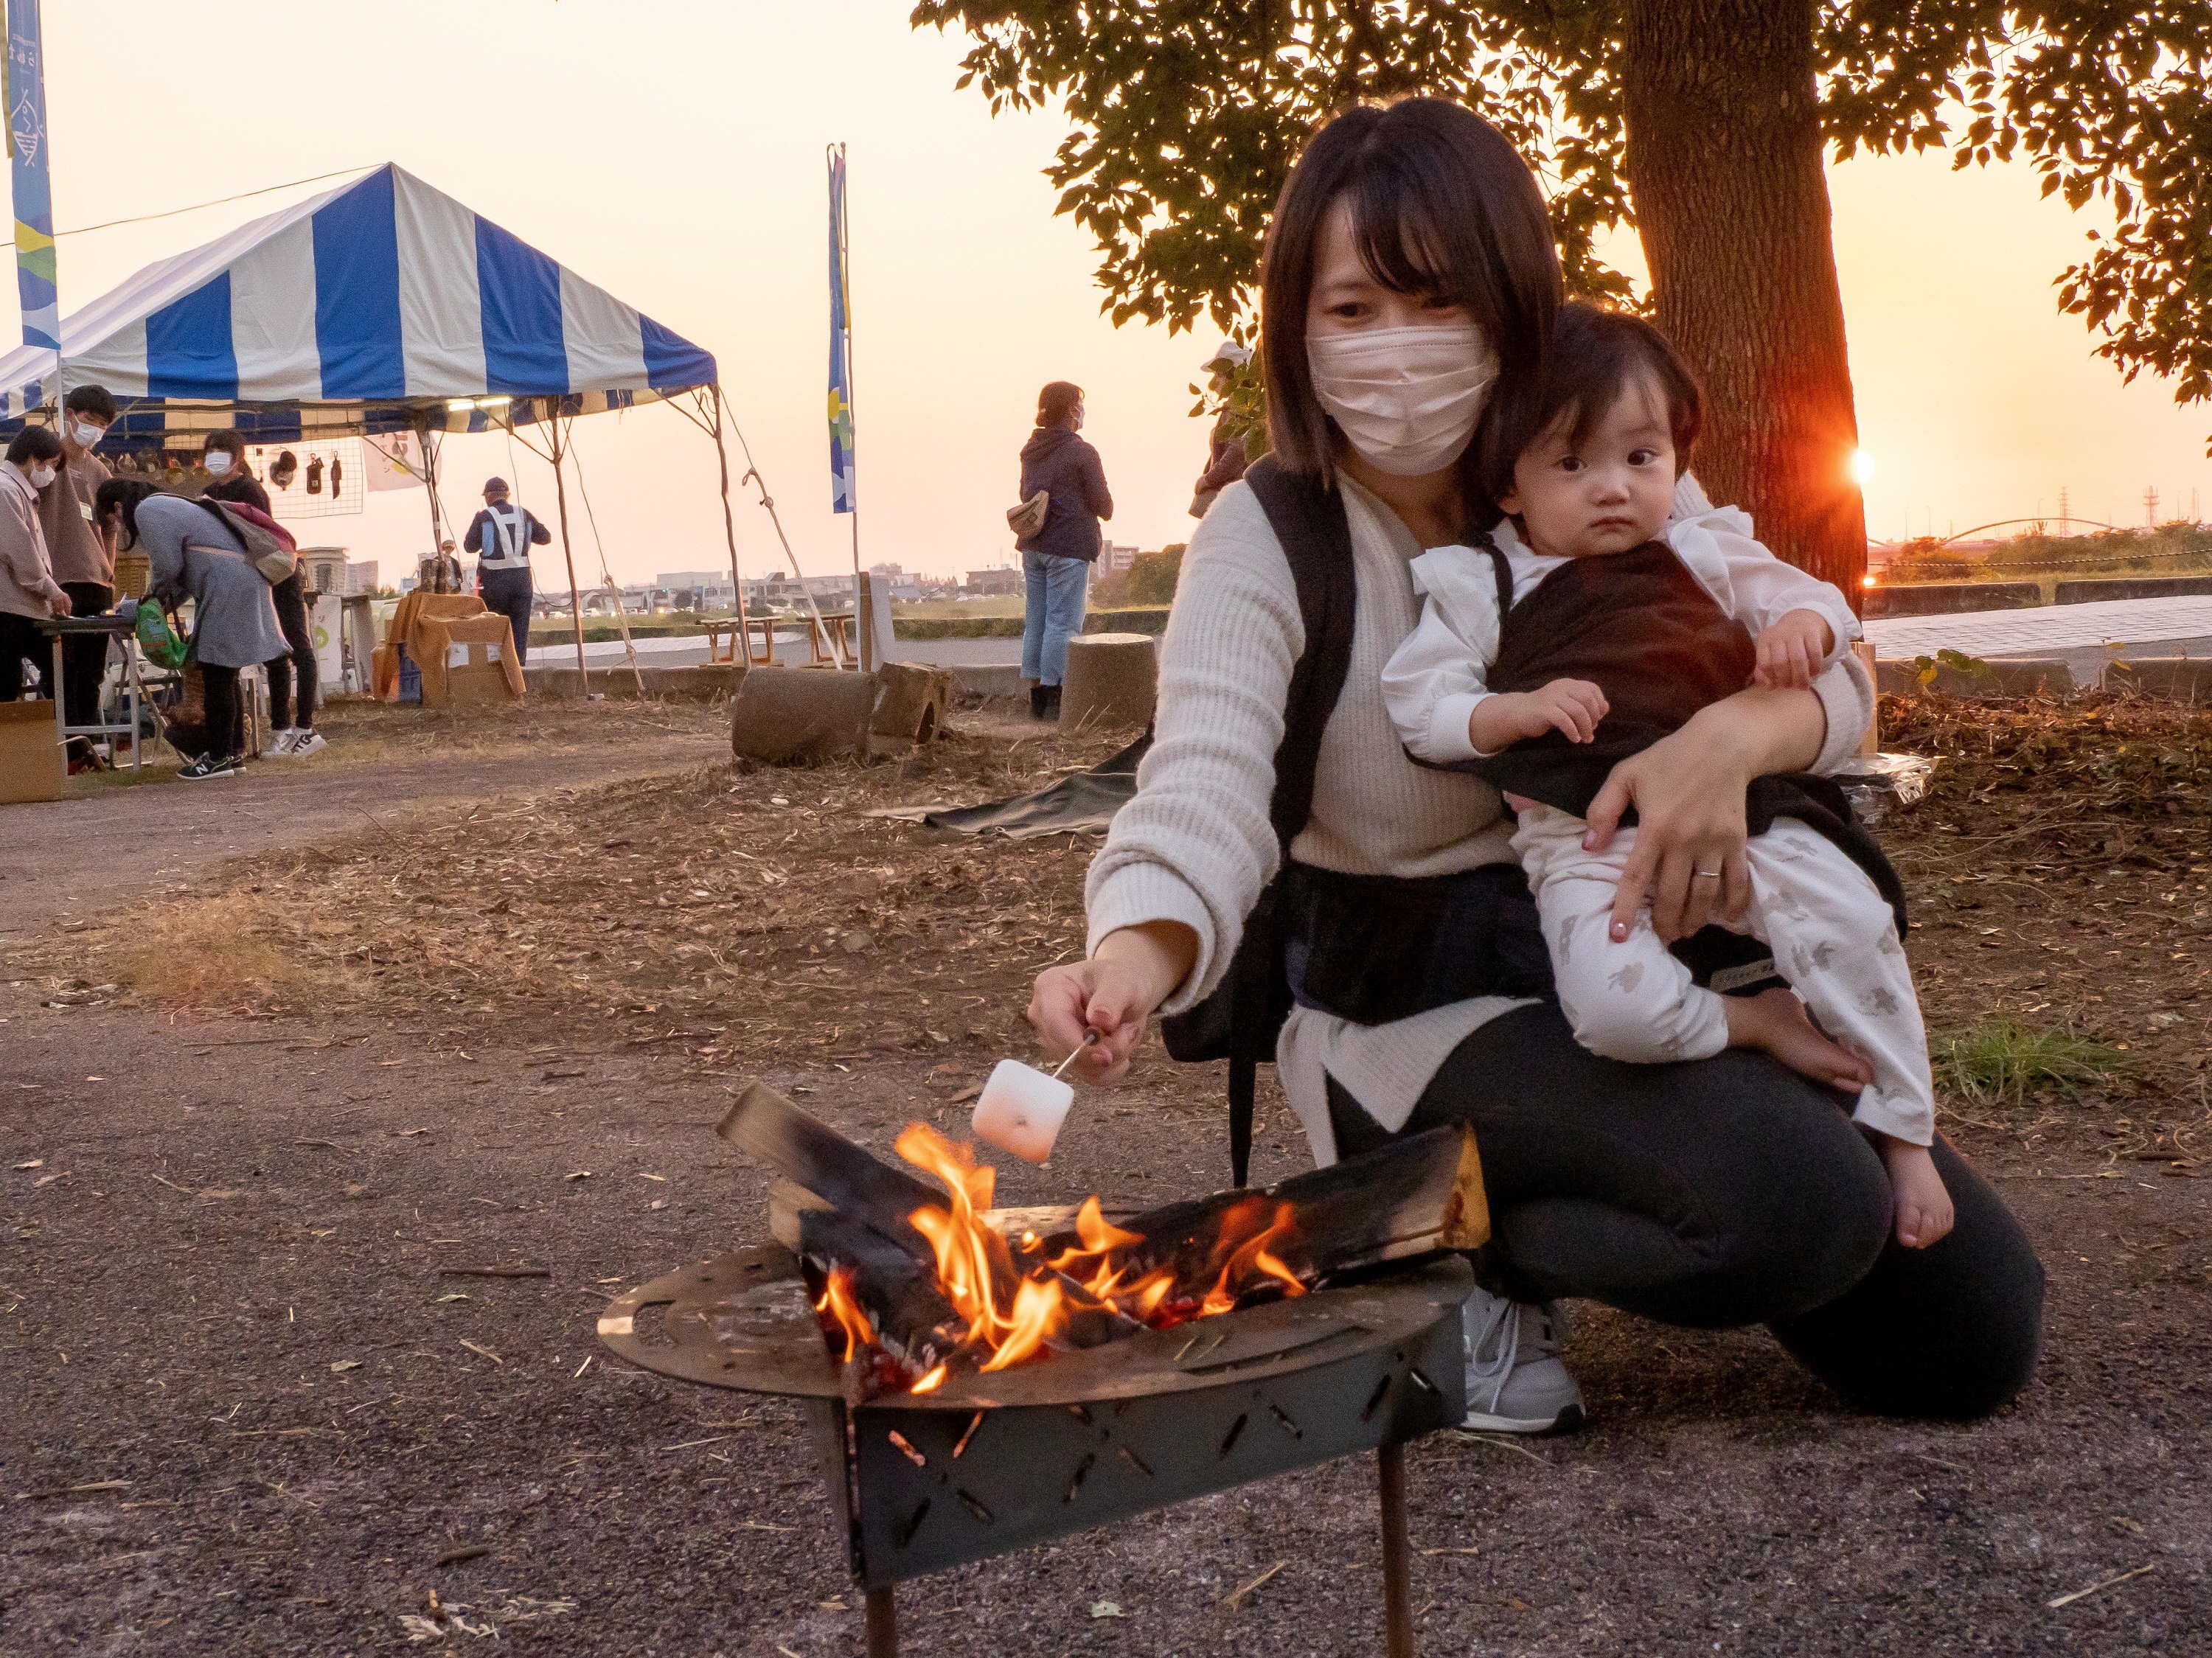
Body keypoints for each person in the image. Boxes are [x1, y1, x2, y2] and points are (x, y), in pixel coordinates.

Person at [1028, 99, 2042, 1433]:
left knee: (1968, 1334)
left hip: (1639, 970)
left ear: (1515, 304)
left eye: (1436, 301)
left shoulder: (1604, 477)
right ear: (1295, 326)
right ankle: (1433, 1238)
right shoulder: (1271, 536)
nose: (1393, 348)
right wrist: (1132, 956)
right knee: (1797, 1199)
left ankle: (1565, 1174)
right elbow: (1203, 785)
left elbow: (1841, 677)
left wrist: (1732, 738)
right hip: (1421, 1011)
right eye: (1349, 309)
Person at [1380, 302, 1952, 1251]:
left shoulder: (1701, 548)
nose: (1614, 488)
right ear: (1511, 484)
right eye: (1573, 464)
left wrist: (1800, 627)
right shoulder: (1481, 582)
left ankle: (1903, 1125)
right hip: (1587, 841)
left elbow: (1811, 602)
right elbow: (1420, 706)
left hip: (1749, 812)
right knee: (1614, 1010)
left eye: (1642, 458)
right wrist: (1509, 713)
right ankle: (1758, 1022)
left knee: (1853, 922)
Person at [100, 478, 285, 781]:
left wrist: (149, 600)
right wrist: (151, 604)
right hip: (239, 581)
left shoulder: (148, 509)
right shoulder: (173, 505)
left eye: (113, 520)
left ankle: (217, 757)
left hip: (227, 587)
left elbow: (169, 567)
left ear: (118, 507)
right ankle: (232, 752)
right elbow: (181, 581)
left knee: (216, 673)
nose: (119, 527)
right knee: (225, 672)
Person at [203, 429, 323, 758]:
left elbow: (259, 535)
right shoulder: (208, 492)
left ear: (238, 456)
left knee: (294, 645)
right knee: (270, 652)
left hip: (276, 572)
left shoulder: (250, 490)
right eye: (210, 450)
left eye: (222, 450)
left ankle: (302, 727)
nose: (214, 456)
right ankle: (276, 731)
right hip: (243, 578)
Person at [1015, 382, 1113, 720]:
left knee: (1037, 621)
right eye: (1080, 405)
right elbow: (1104, 505)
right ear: (1072, 409)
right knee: (1063, 624)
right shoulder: (1082, 452)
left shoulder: (1030, 450)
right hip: (1069, 547)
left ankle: (1036, 700)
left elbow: (1027, 492)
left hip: (1034, 545)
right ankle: (1057, 698)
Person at [40, 386, 118, 758]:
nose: (95, 430)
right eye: (90, 421)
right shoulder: (43, 461)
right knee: (59, 669)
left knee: (92, 671)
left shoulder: (100, 470)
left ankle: (88, 749)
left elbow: (110, 526)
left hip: (95, 582)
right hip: (55, 580)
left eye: (102, 425)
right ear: (70, 415)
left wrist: (110, 571)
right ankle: (63, 747)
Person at [0, 426, 69, 700]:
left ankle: (48, 737)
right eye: (51, 465)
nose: (50, 473)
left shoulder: (17, 490)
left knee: (57, 670)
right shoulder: (6, 490)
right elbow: (20, 551)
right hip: (10, 606)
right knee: (7, 686)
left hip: (22, 604)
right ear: (33, 458)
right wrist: (51, 589)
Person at [463, 477, 549, 666]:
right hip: (521, 582)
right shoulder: (523, 514)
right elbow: (545, 538)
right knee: (519, 629)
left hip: (494, 583)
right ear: (507, 495)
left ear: (488, 496)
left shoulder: (484, 517)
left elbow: (469, 546)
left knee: (494, 630)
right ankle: (518, 674)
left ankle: (497, 676)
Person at [1189, 342, 1253, 518]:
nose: (1215, 380)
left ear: (1233, 373)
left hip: (1234, 499)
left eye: (1219, 374)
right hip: (1233, 497)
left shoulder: (1241, 405)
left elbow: (1237, 452)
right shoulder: (1239, 404)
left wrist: (1208, 479)